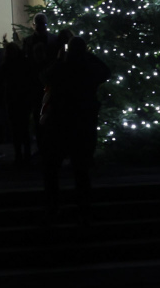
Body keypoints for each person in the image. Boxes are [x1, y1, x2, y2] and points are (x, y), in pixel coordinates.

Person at [39, 37, 110, 223]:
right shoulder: (89, 69)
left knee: (52, 168)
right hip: (83, 123)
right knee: (81, 170)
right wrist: (89, 56)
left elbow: (45, 75)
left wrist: (60, 58)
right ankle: (83, 207)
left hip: (60, 123)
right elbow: (106, 72)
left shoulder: (61, 68)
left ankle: (53, 207)